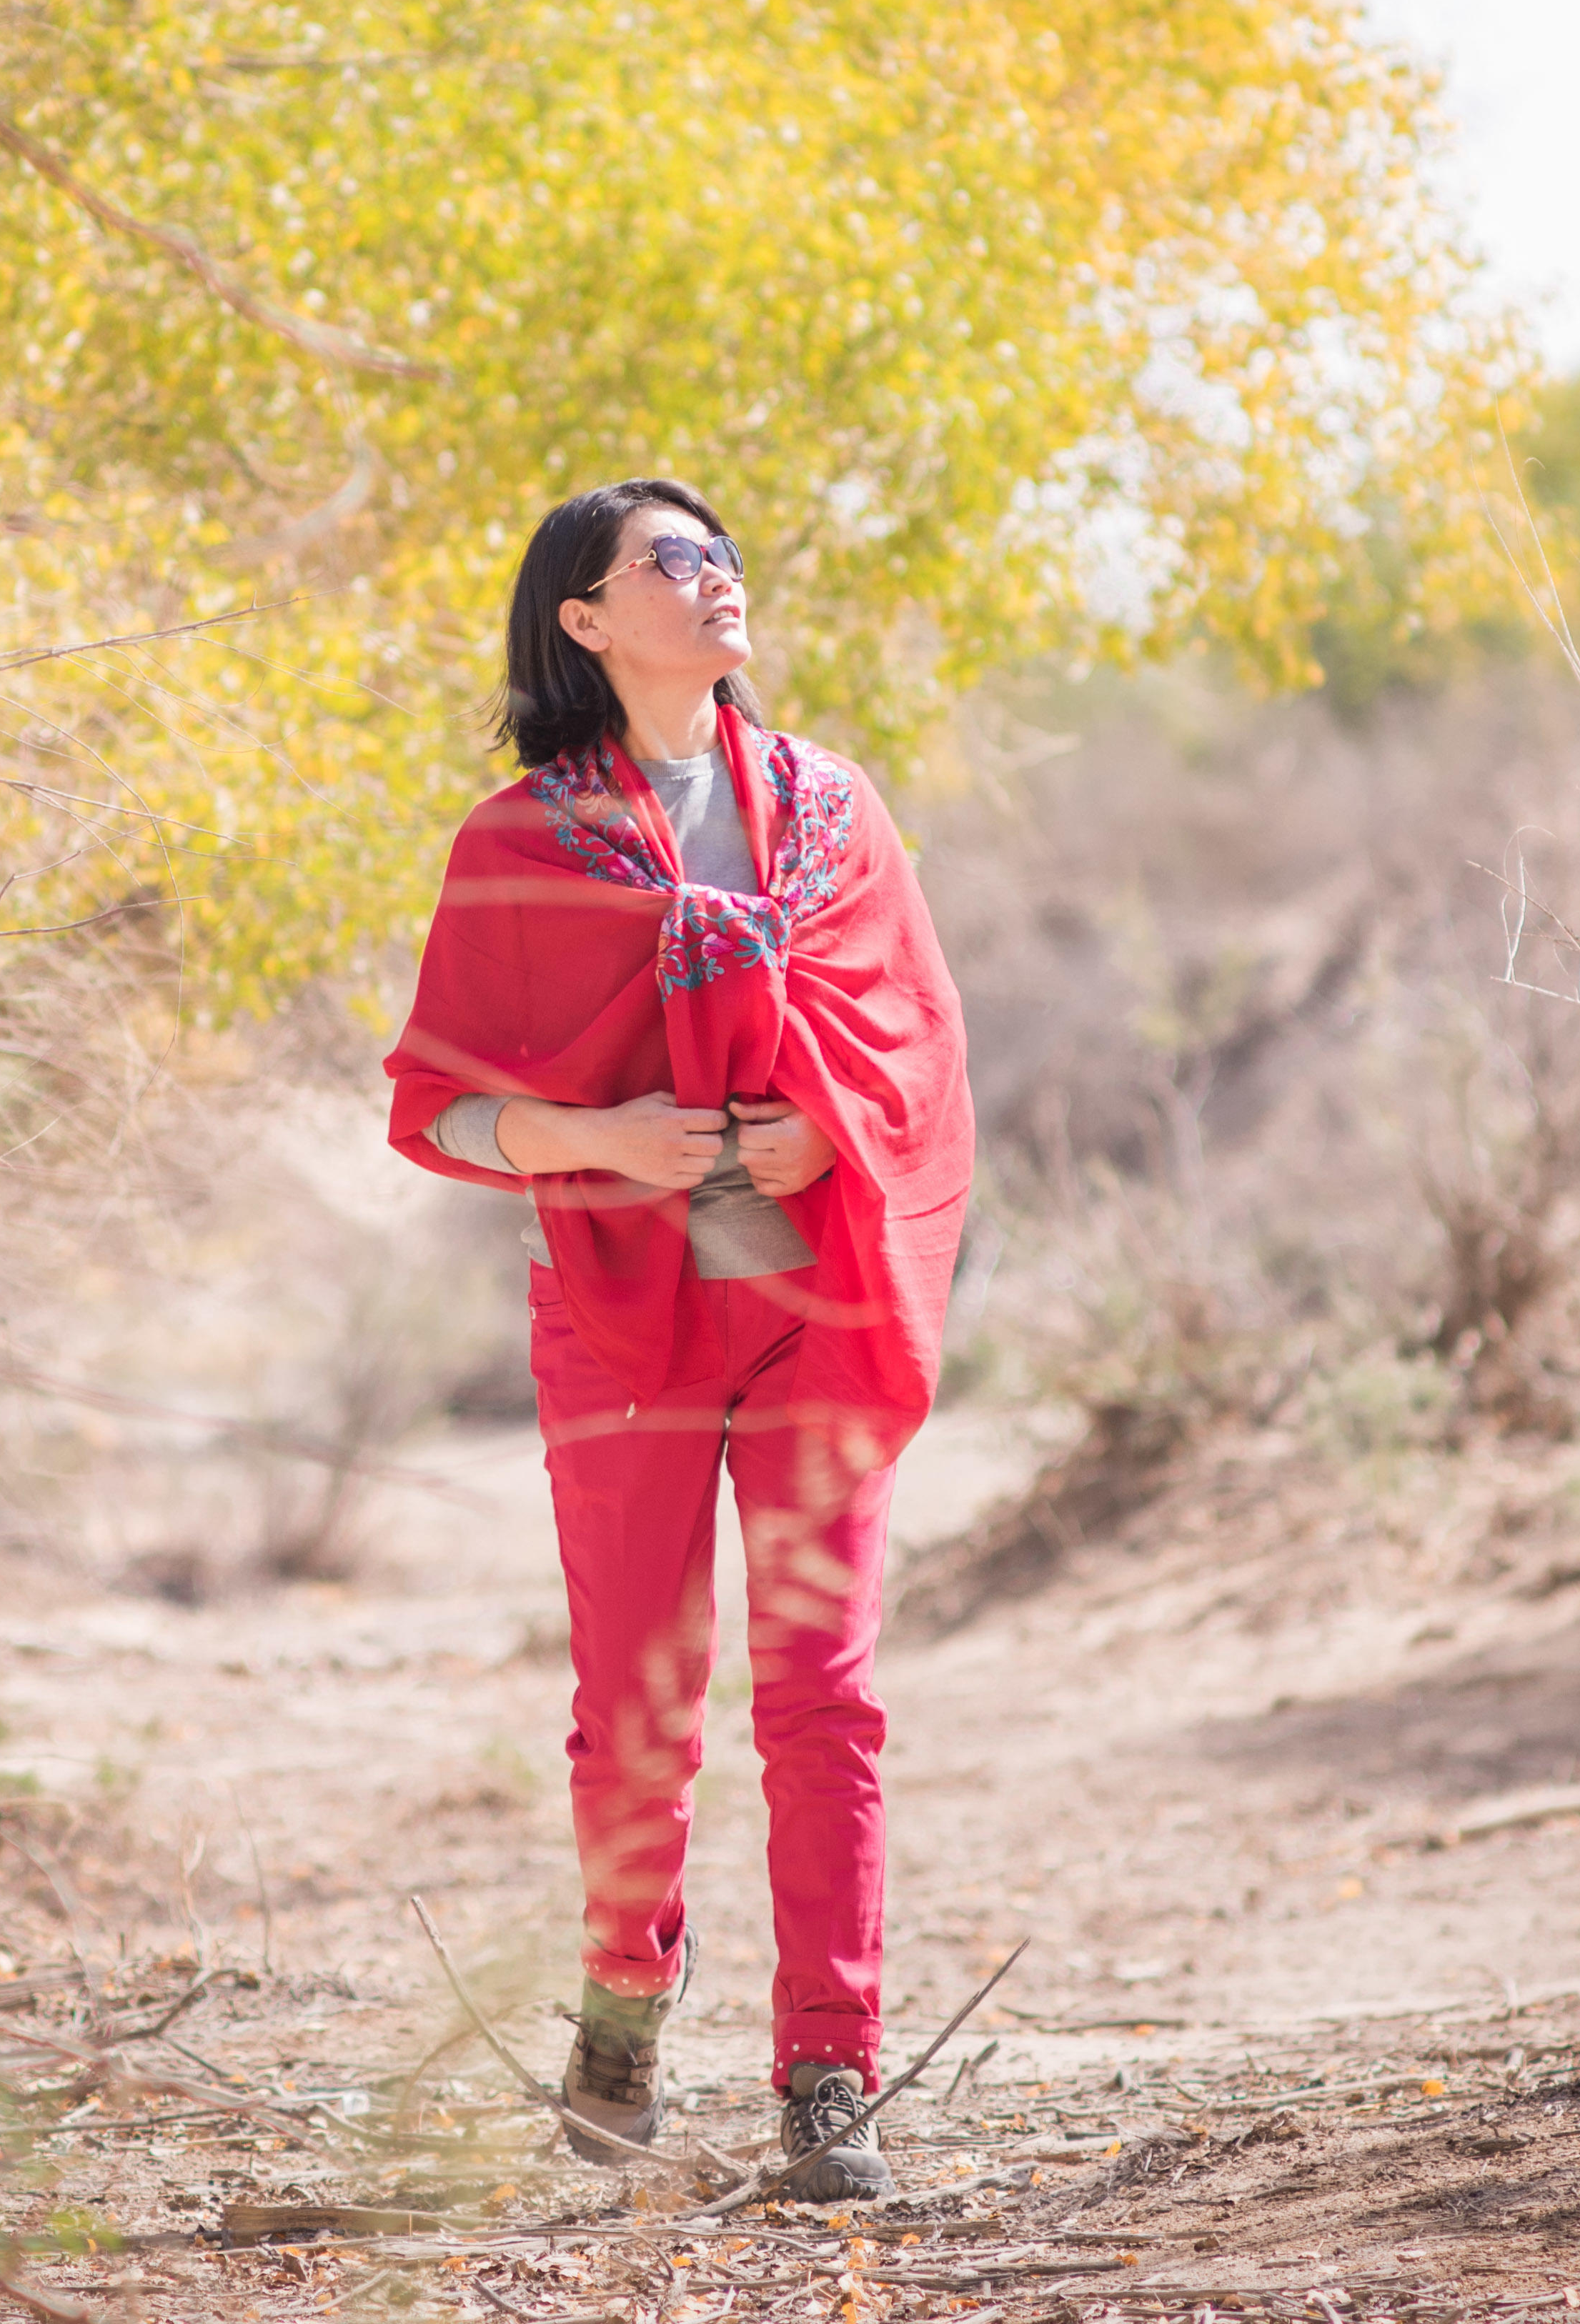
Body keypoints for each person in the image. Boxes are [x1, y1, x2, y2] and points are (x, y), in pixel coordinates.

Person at [382, 477, 976, 2204]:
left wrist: (819, 1130)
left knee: (823, 1692)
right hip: (616, 1316)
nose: (714, 577)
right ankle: (625, 1992)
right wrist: (602, 1140)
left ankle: (827, 2070)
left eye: (720, 552)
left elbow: (918, 1043)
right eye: (671, 558)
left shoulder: (830, 805)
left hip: (811, 1304)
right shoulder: (520, 839)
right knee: (634, 1700)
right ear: (583, 618)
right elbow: (434, 1107)